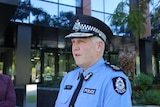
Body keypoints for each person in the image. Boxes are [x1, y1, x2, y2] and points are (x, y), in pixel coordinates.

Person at [55, 14, 132, 107]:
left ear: (98, 46)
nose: (75, 47)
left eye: (81, 41)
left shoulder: (112, 81)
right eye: (73, 42)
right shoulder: (68, 78)